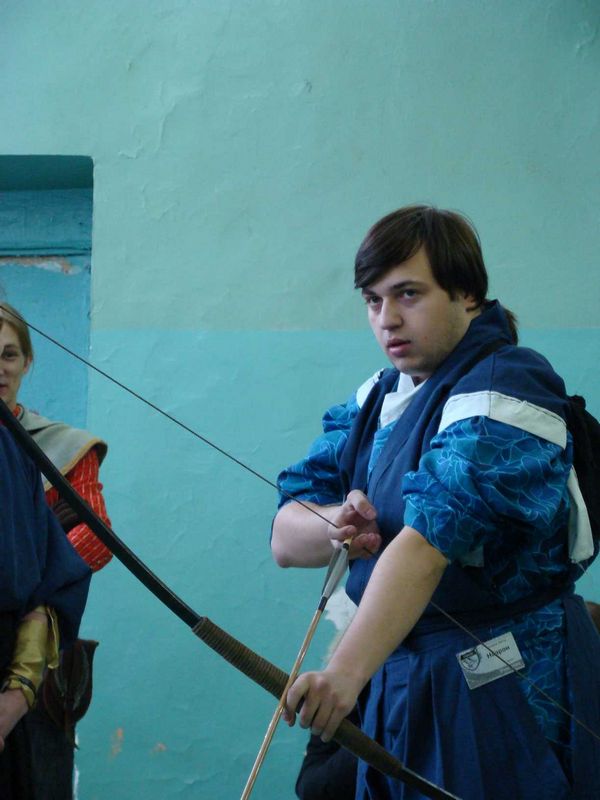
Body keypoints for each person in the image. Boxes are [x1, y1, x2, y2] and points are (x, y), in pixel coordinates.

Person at [272, 205, 600, 800]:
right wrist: (335, 525)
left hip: (506, 680)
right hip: (400, 676)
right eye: (373, 301)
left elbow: (427, 544)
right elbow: (284, 539)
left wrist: (344, 674)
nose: (388, 319)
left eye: (408, 294)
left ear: (467, 293)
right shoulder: (377, 399)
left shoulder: (507, 388)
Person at [0, 302, 112, 799]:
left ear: (27, 362)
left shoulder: (61, 446)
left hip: (42, 637)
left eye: (9, 355)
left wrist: (39, 585)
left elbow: (96, 536)